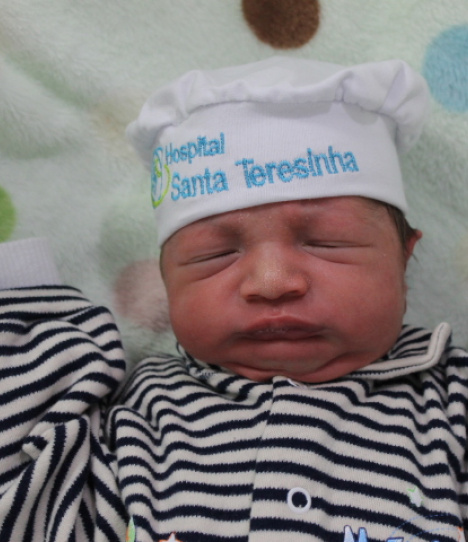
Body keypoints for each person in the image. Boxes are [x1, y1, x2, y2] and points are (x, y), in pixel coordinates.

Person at [0, 57, 467, 542]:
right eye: (216, 255)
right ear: (167, 279)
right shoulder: (134, 410)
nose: (271, 282)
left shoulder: (449, 404)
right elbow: (31, 507)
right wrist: (31, 325)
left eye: (325, 242)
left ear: (404, 259)